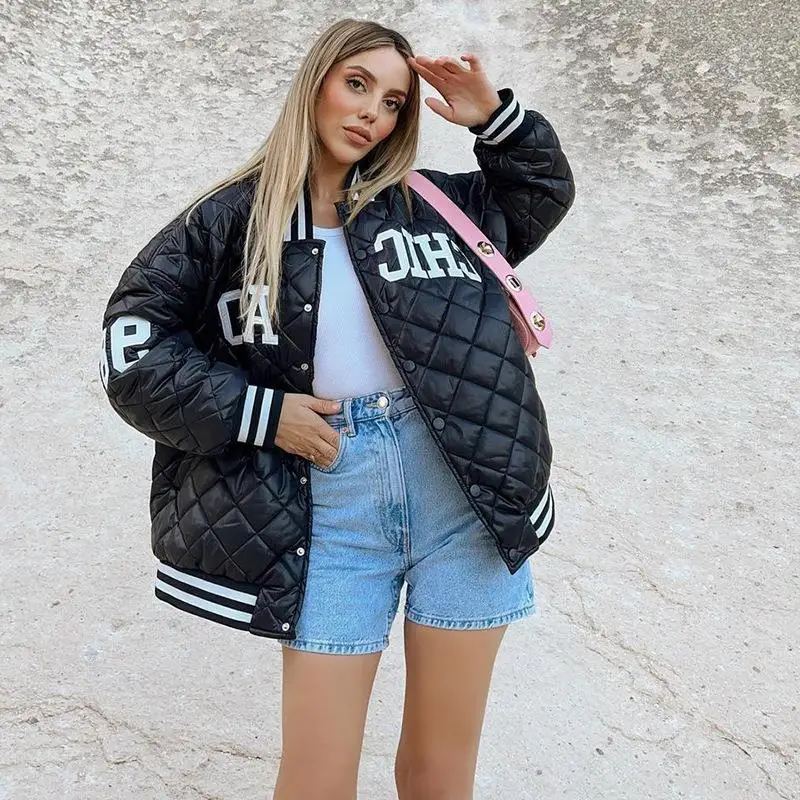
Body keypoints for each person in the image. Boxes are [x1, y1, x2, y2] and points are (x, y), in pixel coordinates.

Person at [98, 17, 575, 800]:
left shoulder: (431, 205)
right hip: (325, 506)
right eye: (357, 85)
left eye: (392, 102)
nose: (371, 114)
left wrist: (493, 117)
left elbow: (540, 191)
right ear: (315, 82)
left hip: (462, 493)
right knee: (316, 779)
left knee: (440, 771)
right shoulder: (226, 221)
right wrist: (260, 412)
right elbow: (131, 350)